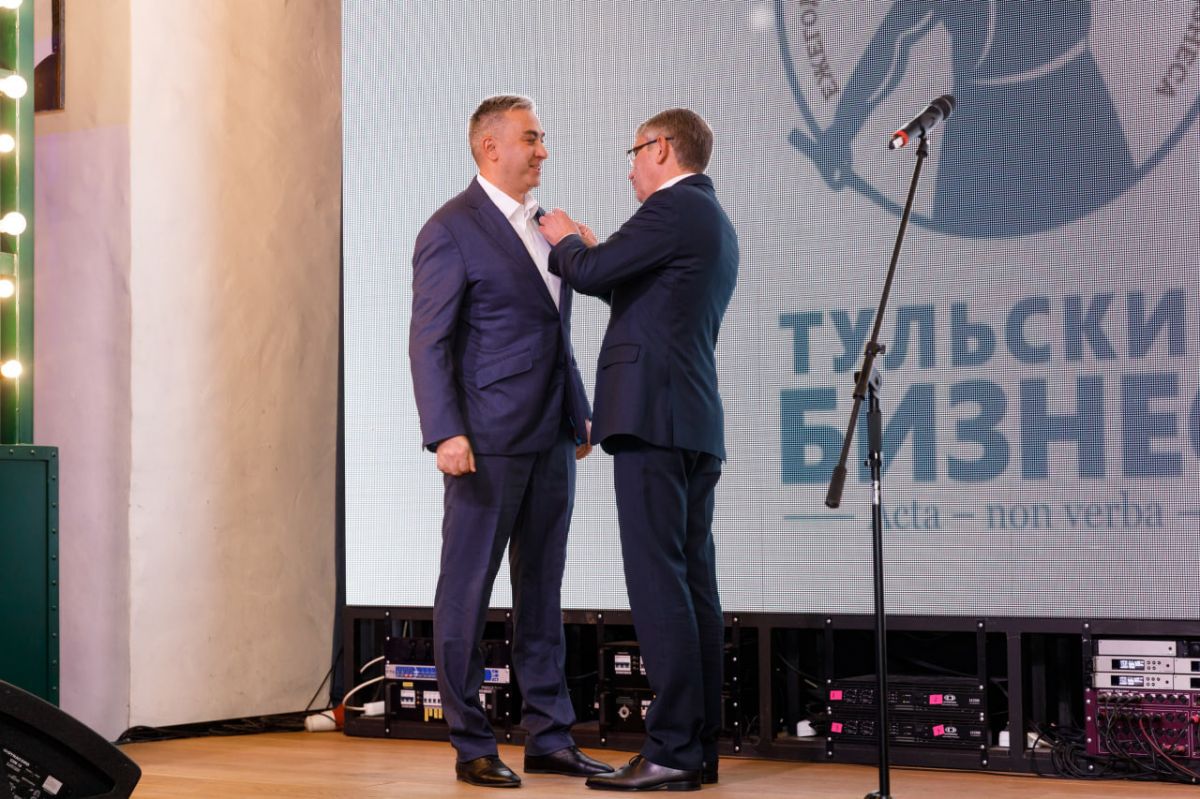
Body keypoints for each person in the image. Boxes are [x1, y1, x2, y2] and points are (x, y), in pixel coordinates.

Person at [409, 94, 612, 788]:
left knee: (542, 590)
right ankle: (471, 742)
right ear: (490, 146)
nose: (543, 150)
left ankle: (549, 736)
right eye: (531, 138)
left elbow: (554, 331)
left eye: (542, 138)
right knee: (466, 591)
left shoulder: (547, 226)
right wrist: (445, 430)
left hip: (552, 434)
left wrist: (579, 412)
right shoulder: (450, 227)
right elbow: (429, 341)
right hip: (486, 440)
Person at [539, 108, 738, 792]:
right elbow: (637, 289)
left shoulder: (673, 207)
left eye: (633, 153)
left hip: (655, 417)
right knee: (692, 585)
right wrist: (595, 256)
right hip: (690, 421)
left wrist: (566, 240)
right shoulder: (710, 218)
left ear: (660, 147)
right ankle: (694, 748)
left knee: (658, 583)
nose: (629, 170)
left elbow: (590, 270)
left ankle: (673, 748)